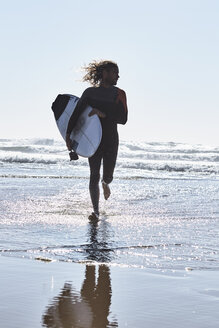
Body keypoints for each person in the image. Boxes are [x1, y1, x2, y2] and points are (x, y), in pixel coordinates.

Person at [66, 60, 128, 220]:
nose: (118, 76)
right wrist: (68, 136)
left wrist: (103, 114)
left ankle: (106, 183)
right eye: (115, 72)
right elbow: (76, 115)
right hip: (93, 139)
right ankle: (96, 211)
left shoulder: (119, 94)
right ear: (105, 73)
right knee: (93, 174)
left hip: (111, 140)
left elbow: (123, 119)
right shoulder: (89, 93)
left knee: (107, 176)